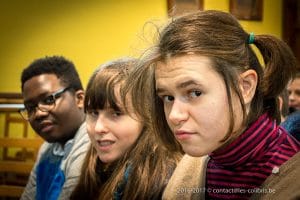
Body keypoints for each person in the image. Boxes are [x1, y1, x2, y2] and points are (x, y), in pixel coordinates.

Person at [124, 10, 300, 199]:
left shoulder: (292, 179)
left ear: (245, 87)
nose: (174, 115)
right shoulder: (192, 164)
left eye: (195, 93)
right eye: (168, 97)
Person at [70, 58, 182, 200]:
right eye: (93, 113)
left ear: (148, 117)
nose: (98, 128)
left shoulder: (163, 183)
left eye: (116, 114)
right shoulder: (95, 167)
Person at [19, 56, 90, 200]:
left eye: (48, 99)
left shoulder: (92, 144)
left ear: (79, 99)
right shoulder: (47, 148)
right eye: (30, 108)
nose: (38, 113)